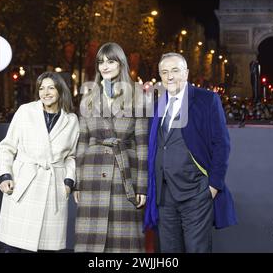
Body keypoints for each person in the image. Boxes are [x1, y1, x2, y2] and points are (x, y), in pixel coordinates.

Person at [144, 52, 237, 253]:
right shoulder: (156, 104)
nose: (169, 76)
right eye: (164, 72)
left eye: (175, 71)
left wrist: (213, 186)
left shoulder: (207, 99)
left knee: (197, 249)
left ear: (186, 73)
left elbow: (221, 144)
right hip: (164, 194)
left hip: (196, 192)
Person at [73, 42, 148, 252]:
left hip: (125, 177)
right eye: (101, 62)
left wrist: (142, 186)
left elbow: (142, 145)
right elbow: (82, 143)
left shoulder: (138, 96)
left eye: (110, 61)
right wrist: (78, 182)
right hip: (92, 175)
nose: (105, 66)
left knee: (124, 243)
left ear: (121, 63)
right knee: (91, 242)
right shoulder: (88, 99)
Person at [0, 72, 79, 252]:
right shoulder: (26, 111)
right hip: (24, 184)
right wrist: (4, 175)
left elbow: (72, 156)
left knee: (46, 247)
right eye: (41, 88)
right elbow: (7, 147)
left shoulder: (71, 120)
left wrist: (68, 182)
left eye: (50, 87)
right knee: (15, 246)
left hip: (53, 188)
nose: (45, 92)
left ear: (60, 91)